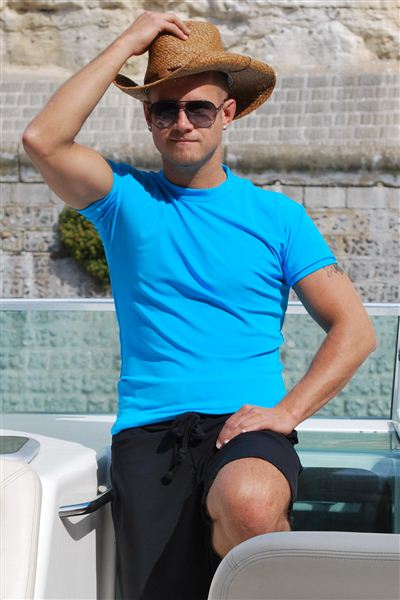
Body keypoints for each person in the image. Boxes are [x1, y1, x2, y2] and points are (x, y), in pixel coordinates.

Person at [22, 11, 376, 600]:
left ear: (228, 113)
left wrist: (286, 413)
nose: (182, 122)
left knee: (251, 502)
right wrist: (129, 42)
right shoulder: (122, 199)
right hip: (149, 435)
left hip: (246, 427)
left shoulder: (278, 217)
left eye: (200, 108)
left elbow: (355, 330)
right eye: (166, 109)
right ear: (149, 119)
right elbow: (43, 139)